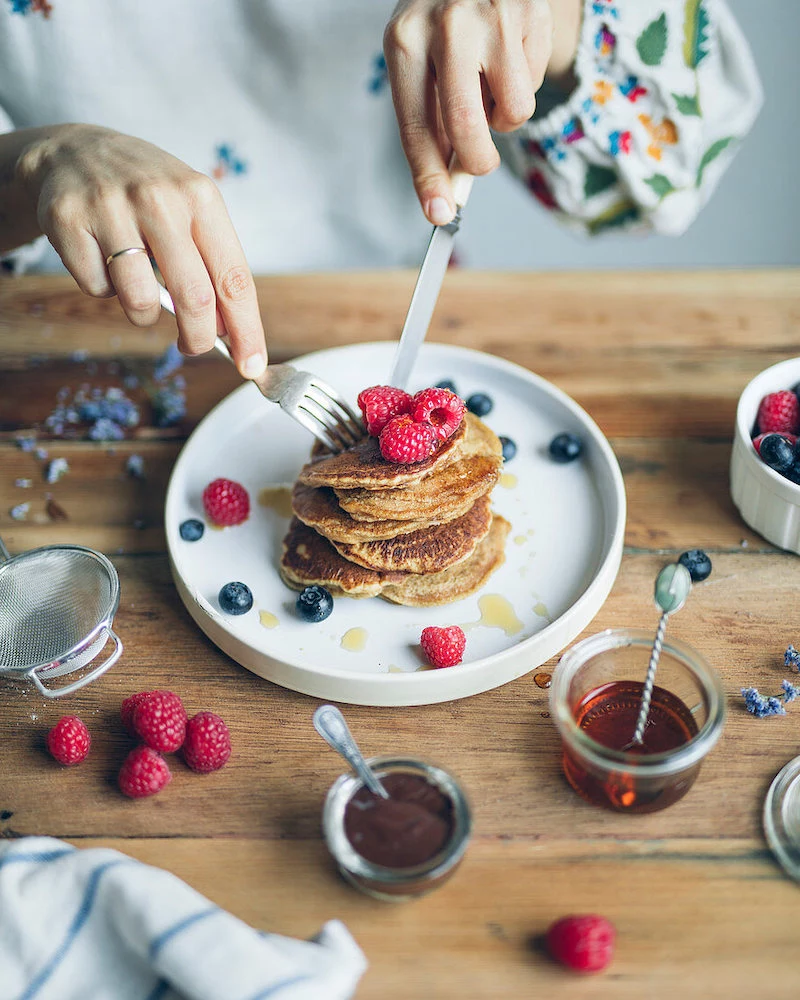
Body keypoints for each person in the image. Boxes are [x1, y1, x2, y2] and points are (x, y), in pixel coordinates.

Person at [0, 0, 761, 380]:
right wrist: (35, 163)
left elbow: (681, 160)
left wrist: (555, 22)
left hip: (402, 300)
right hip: (72, 328)